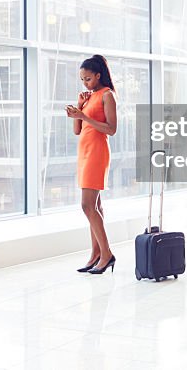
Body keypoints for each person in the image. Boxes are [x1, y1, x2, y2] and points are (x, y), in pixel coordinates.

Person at [65, 54, 118, 274]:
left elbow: (111, 129)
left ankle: (106, 254)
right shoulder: (88, 97)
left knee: (87, 205)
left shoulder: (107, 95)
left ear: (98, 75)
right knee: (95, 206)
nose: (85, 83)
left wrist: (84, 117)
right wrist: (79, 108)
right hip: (85, 151)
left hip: (97, 152)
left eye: (88, 79)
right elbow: (77, 130)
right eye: (82, 80)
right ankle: (96, 254)